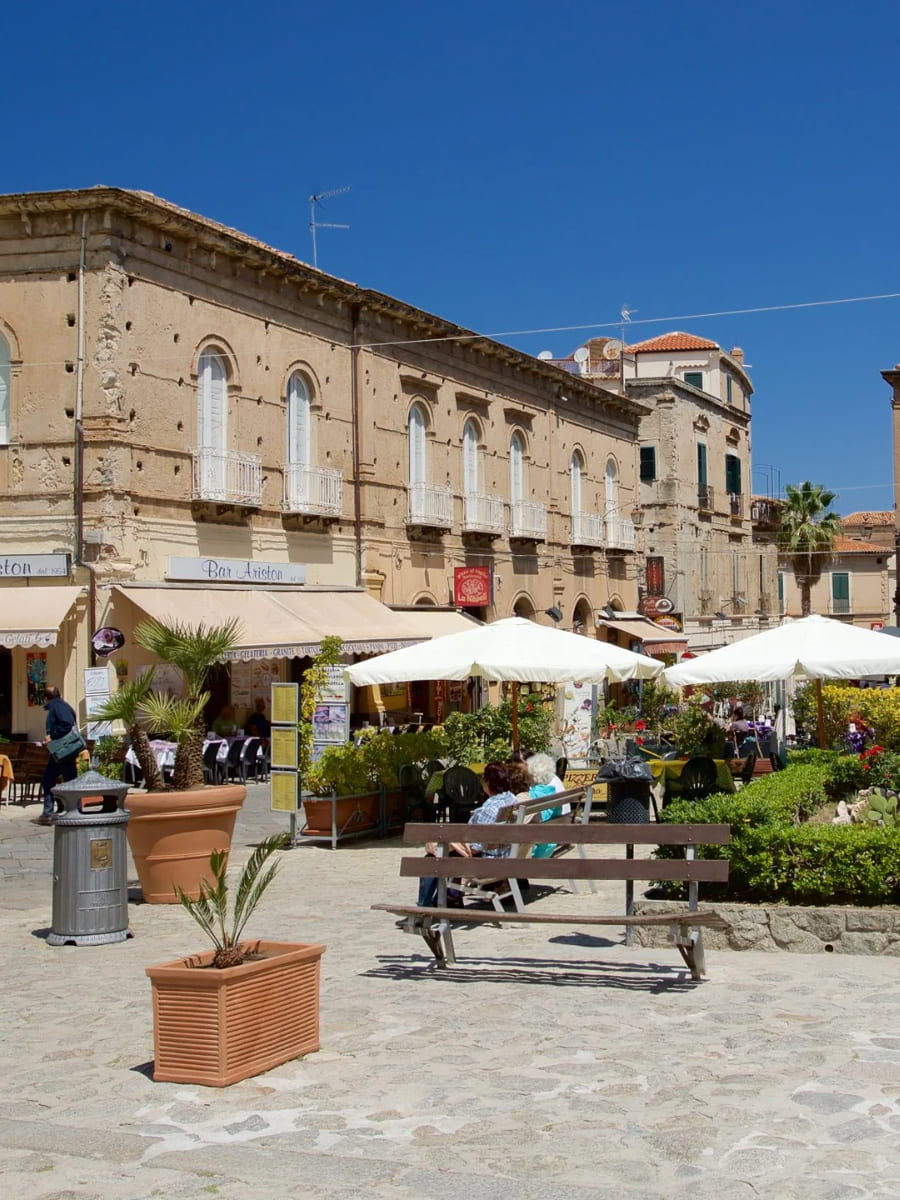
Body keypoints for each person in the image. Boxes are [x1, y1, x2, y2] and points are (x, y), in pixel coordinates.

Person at [416, 762, 518, 908]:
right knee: (442, 852)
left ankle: (424, 908)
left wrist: (453, 843)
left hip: (486, 862)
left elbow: (476, 847)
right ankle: (448, 897)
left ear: (488, 782)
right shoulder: (511, 799)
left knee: (431, 860)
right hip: (503, 855)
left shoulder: (490, 809)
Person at [38, 685, 80, 825]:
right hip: (61, 751)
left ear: (46, 698)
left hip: (64, 750)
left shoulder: (57, 707)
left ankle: (67, 810)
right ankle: (61, 809)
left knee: (63, 780)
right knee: (57, 779)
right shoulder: (62, 705)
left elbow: (66, 724)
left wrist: (52, 736)